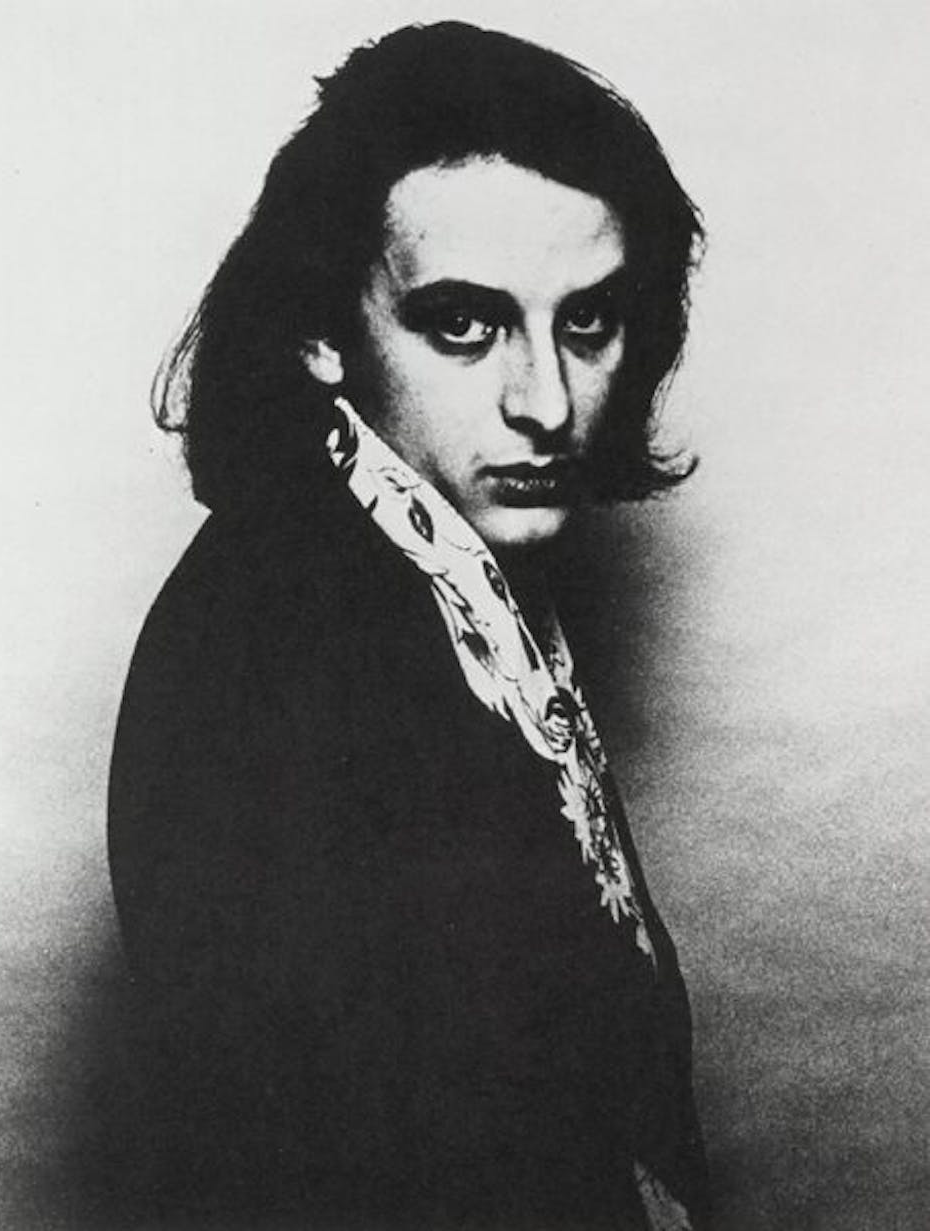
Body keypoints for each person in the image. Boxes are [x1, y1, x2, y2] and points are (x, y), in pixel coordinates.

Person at [108, 20, 709, 1231]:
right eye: (464, 326)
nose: (547, 403)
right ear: (321, 330)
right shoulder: (281, 649)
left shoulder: (417, 569)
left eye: (587, 323)